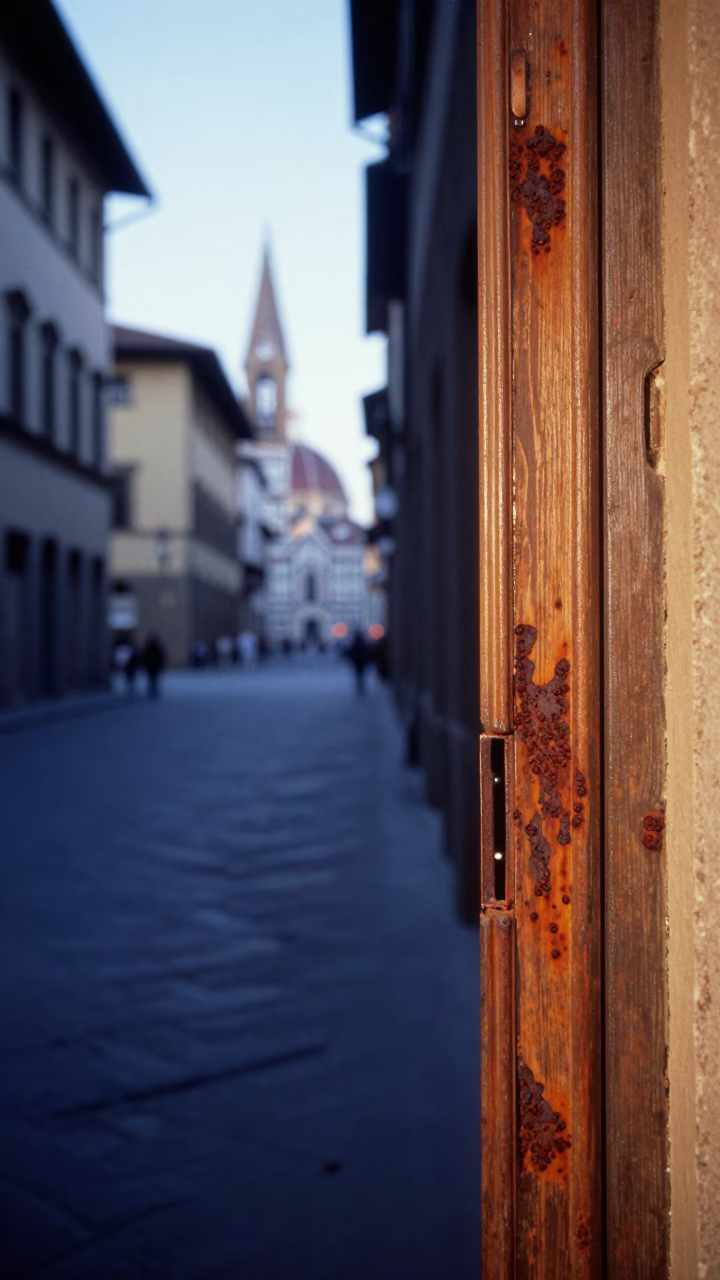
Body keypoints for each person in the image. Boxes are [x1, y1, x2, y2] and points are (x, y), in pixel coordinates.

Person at [345, 630, 371, 697]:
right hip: (361, 662)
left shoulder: (355, 644)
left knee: (359, 676)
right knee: (361, 676)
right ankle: (361, 688)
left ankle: (360, 688)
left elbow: (351, 653)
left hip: (358, 662)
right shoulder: (362, 644)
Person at [143, 634, 166, 699]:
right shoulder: (157, 647)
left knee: (151, 679)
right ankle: (153, 690)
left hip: (151, 666)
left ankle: (151, 690)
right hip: (154, 666)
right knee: (154, 679)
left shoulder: (149, 647)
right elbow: (161, 657)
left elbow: (145, 657)